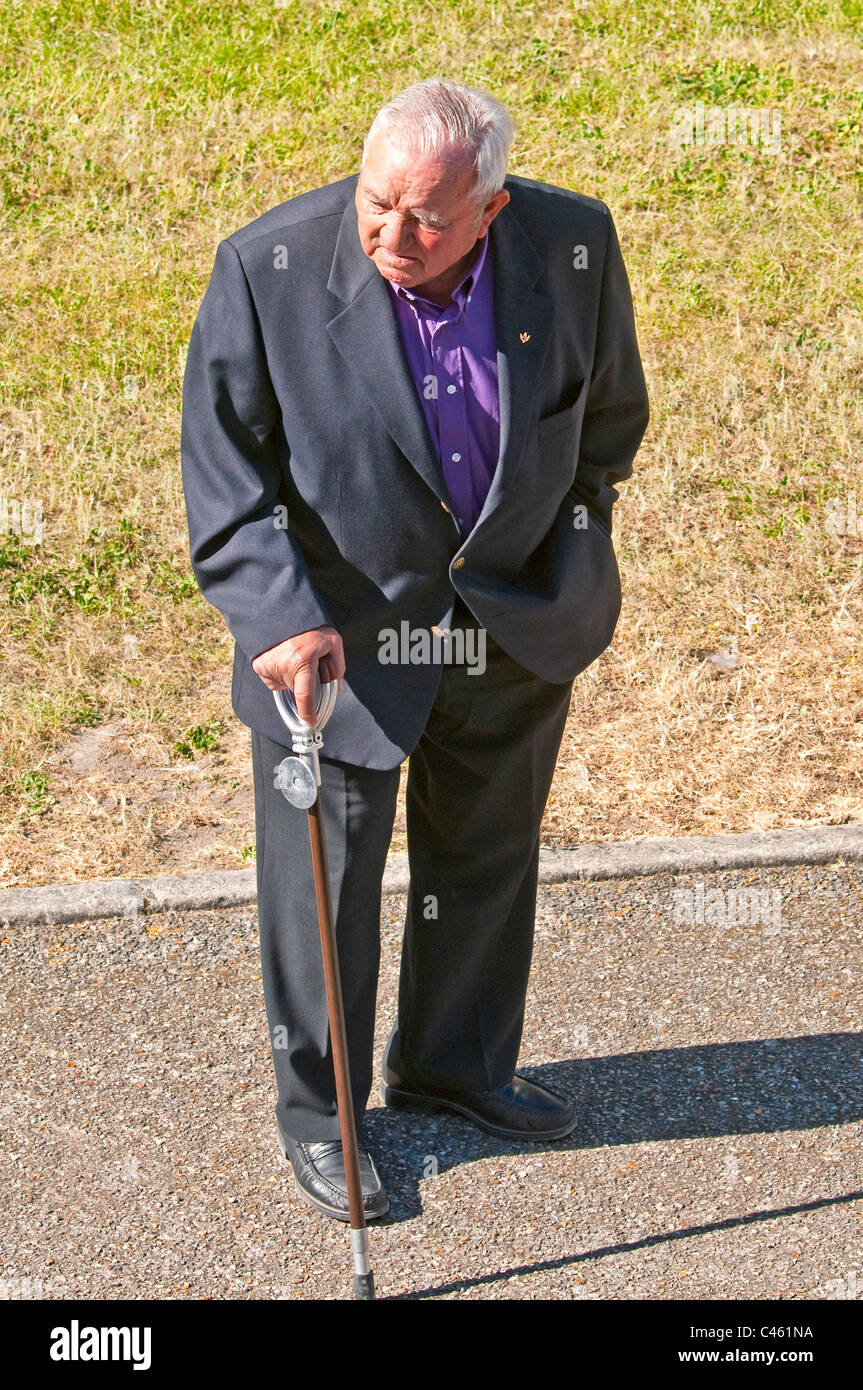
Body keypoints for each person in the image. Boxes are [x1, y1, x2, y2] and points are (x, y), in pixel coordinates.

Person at [181, 78, 649, 1222]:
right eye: (375, 201)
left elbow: (607, 421)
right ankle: (323, 1118)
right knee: (323, 890)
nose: (393, 234)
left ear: (489, 208)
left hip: (511, 624)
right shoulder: (266, 268)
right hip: (334, 647)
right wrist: (277, 614)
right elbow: (228, 483)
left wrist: (567, 548)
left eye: (428, 216)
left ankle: (454, 1066)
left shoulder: (572, 244)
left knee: (483, 864)